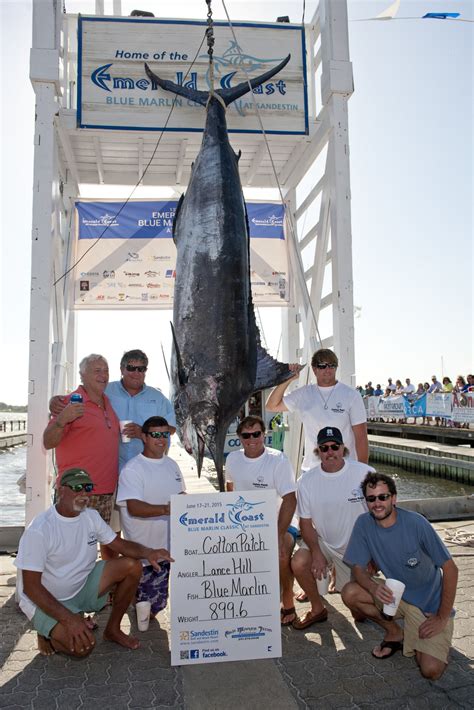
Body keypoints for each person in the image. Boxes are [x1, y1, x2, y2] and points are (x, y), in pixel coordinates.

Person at [14, 467, 172, 657]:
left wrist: (149, 552)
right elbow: (31, 588)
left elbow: (119, 545)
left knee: (132, 566)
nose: (84, 494)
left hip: (81, 586)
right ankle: (46, 632)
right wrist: (69, 619)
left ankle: (112, 630)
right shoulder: (40, 529)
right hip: (46, 599)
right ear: (61, 489)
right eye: (77, 487)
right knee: (82, 648)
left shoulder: (90, 516)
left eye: (88, 488)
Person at [341, 472, 458, 680]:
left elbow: (451, 569)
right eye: (371, 498)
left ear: (394, 498)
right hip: (398, 597)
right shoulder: (363, 524)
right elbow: (358, 568)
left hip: (430, 607)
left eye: (383, 497)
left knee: (430, 671)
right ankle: (395, 632)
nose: (377, 503)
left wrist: (441, 616)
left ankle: (434, 636)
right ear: (366, 502)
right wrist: (373, 587)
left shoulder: (416, 523)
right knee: (350, 593)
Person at [291, 427, 373, 630]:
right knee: (299, 562)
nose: (330, 452)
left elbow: (380, 516)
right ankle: (318, 609)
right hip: (325, 543)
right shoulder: (306, 481)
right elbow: (305, 523)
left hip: (357, 550)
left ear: (343, 447)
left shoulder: (365, 473)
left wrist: (374, 554)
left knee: (359, 612)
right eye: (324, 448)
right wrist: (317, 553)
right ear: (318, 451)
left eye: (335, 446)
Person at [50, 349, 176, 471]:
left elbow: (171, 428)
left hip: (147, 470)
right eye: (131, 368)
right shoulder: (105, 390)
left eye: (141, 369)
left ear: (145, 371)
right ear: (122, 369)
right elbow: (80, 395)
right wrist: (55, 401)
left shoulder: (158, 398)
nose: (136, 373)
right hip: (110, 472)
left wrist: (143, 432)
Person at [225, 415, 297, 627]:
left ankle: (288, 601)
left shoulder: (278, 460)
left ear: (264, 434)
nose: (252, 439)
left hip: (278, 524)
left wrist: (276, 534)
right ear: (239, 438)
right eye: (246, 435)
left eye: (256, 434)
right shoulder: (232, 459)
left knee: (281, 554)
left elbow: (290, 500)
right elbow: (230, 488)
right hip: (244, 527)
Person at [116, 416, 185, 618]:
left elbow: (180, 497)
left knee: (157, 606)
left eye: (165, 434)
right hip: (142, 552)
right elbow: (134, 507)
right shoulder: (133, 468)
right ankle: (125, 601)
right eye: (155, 434)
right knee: (142, 609)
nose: (161, 439)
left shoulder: (172, 465)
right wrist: (166, 509)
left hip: (166, 551)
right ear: (144, 437)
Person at [43, 354, 119, 526]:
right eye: (97, 371)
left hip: (105, 493)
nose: (103, 375)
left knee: (92, 547)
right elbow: (47, 442)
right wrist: (62, 419)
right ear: (82, 375)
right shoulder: (70, 402)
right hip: (76, 491)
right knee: (69, 546)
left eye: (106, 371)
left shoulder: (108, 401)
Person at [266, 348, 368, 471]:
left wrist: (363, 471)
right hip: (312, 469)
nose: (327, 369)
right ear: (314, 369)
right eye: (322, 366)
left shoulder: (352, 395)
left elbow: (361, 436)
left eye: (332, 365)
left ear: (336, 368)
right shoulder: (303, 394)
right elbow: (271, 406)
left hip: (345, 469)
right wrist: (287, 379)